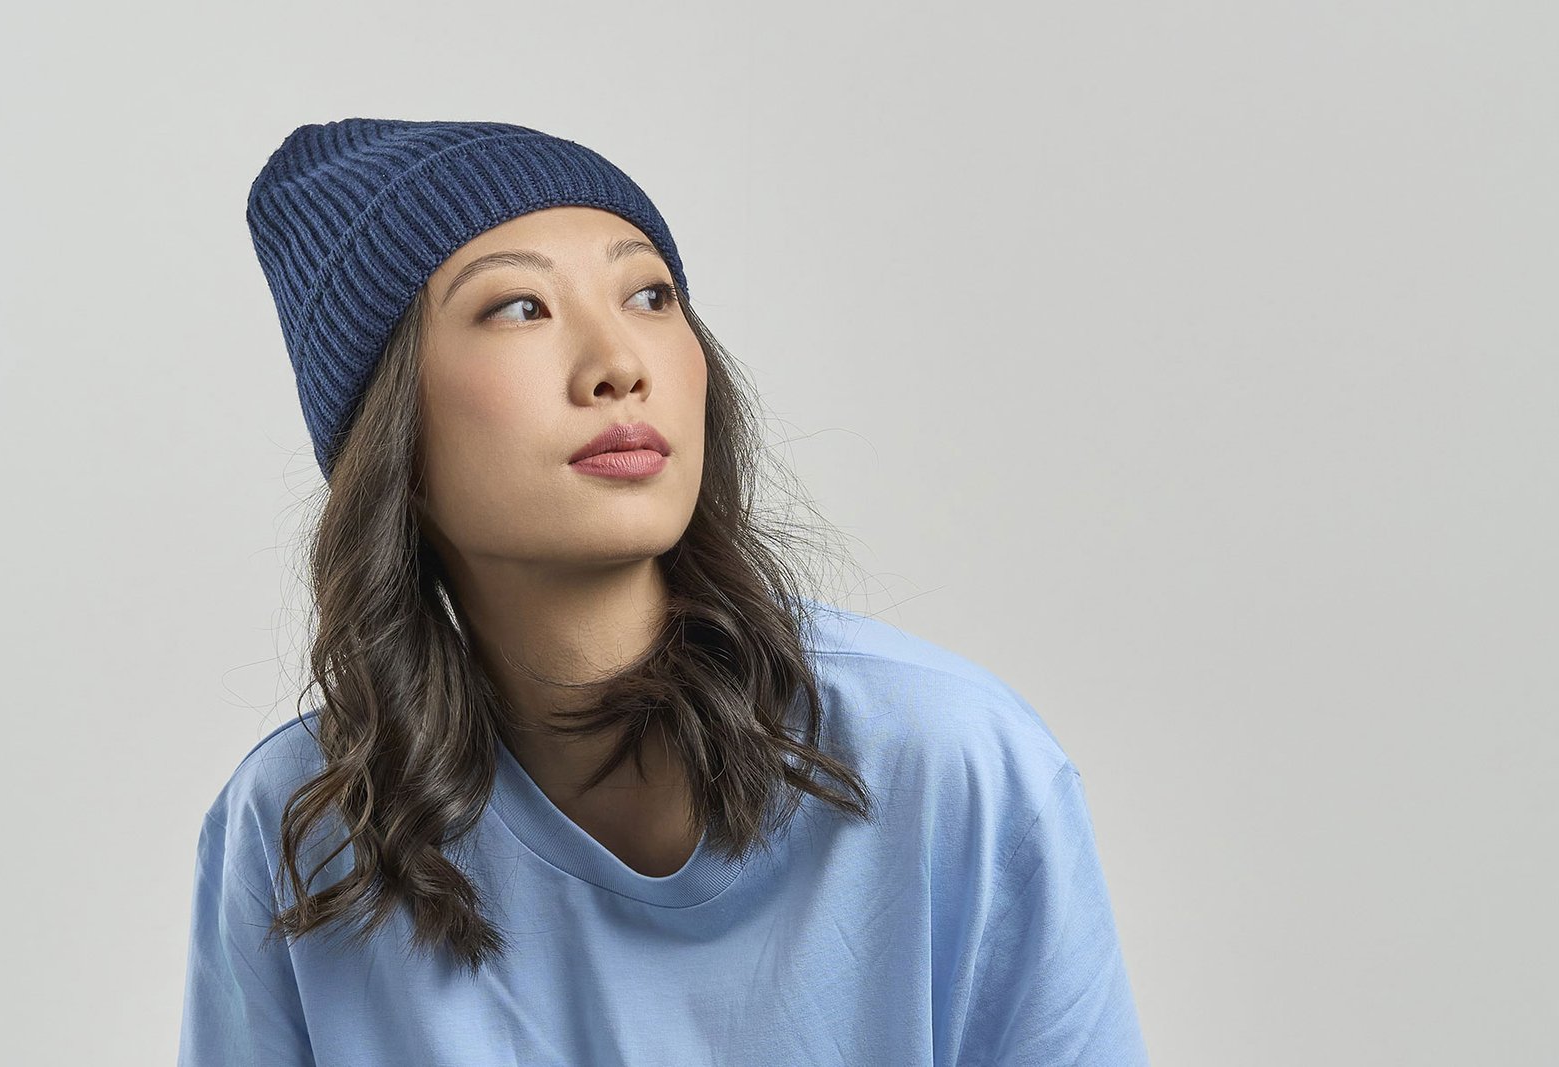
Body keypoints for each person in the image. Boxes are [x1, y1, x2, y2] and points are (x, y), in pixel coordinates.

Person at [177, 117, 1149, 1066]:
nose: (618, 366)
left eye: (650, 295)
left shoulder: (944, 759)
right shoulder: (301, 824)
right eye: (519, 308)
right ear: (390, 429)